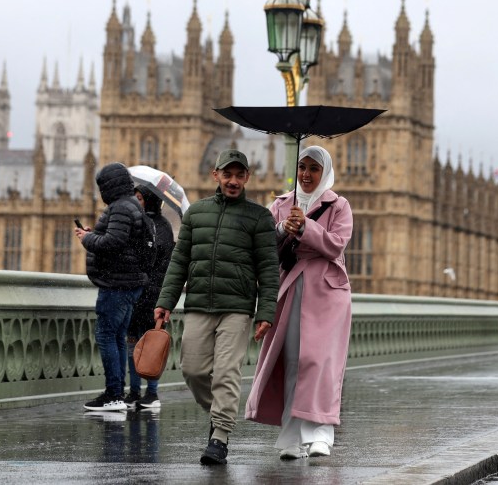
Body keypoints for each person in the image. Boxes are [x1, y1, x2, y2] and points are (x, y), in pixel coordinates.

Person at [153, 148, 279, 466]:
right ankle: (220, 413)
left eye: (239, 175)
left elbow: (268, 268)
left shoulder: (259, 217)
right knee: (192, 370)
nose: (233, 181)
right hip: (198, 303)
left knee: (226, 373)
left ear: (247, 177)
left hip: (237, 307)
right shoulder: (196, 213)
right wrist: (165, 302)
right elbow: (179, 261)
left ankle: (220, 436)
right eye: (228, 174)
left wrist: (266, 312)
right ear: (216, 175)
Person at [245, 145, 353, 460]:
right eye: (302, 167)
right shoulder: (279, 205)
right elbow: (262, 248)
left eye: (314, 169)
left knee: (320, 362)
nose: (306, 174)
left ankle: (321, 434)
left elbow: (335, 245)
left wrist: (305, 227)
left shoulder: (339, 205)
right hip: (290, 289)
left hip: (327, 294)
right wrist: (282, 229)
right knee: (292, 360)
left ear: (325, 172)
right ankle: (291, 435)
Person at [75, 162, 149, 411]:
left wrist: (88, 238)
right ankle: (117, 392)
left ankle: (114, 394)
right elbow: (119, 239)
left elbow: (113, 242)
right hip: (128, 282)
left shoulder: (120, 207)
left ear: (109, 186)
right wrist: (93, 233)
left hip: (117, 283)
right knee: (117, 336)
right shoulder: (132, 205)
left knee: (106, 335)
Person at [124, 184, 175, 410]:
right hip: (136, 291)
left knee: (152, 343)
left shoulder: (160, 227)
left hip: (153, 295)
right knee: (132, 342)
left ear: (150, 201)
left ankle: (152, 393)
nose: (136, 202)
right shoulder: (139, 223)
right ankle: (134, 391)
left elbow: (156, 261)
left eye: (139, 198)